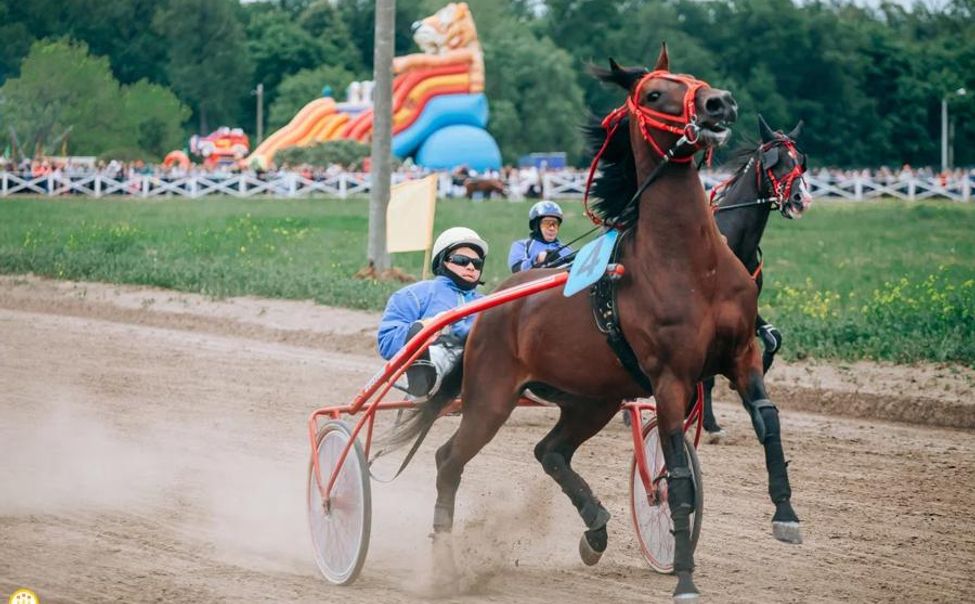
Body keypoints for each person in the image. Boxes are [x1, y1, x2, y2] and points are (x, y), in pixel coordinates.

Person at [377, 227, 489, 398]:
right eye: (461, 260)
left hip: (481, 366)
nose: (471, 267)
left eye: (477, 263)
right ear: (442, 260)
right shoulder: (413, 295)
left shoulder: (488, 303)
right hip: (438, 360)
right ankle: (425, 380)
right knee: (437, 345)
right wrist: (424, 327)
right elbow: (387, 343)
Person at [507, 201, 573, 273]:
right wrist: (537, 259)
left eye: (555, 224)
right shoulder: (521, 245)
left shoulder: (566, 250)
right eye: (547, 223)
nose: (552, 228)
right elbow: (516, 269)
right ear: (536, 226)